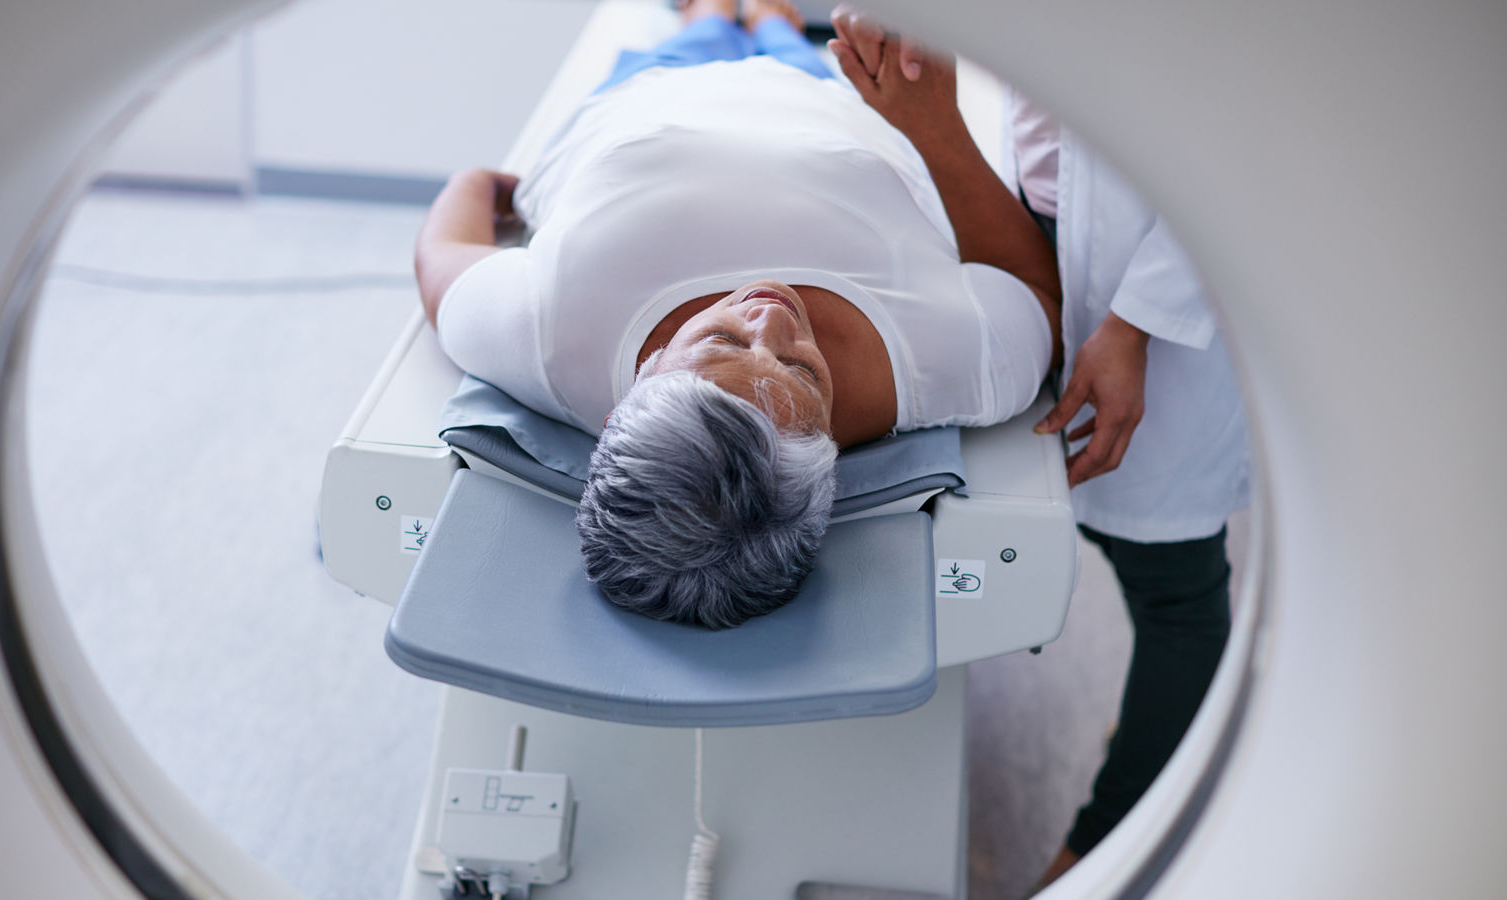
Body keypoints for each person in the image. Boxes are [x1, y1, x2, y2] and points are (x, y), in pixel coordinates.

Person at [414, 0, 1062, 629]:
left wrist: (475, 185)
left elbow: (442, 255)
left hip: (648, 98)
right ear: (829, 453)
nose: (771, 317)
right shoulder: (948, 367)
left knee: (702, 22)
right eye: (805, 375)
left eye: (721, 340)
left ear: (624, 407)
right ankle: (769, 18)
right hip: (831, 109)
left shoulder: (547, 340)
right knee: (780, 29)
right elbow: (1036, 292)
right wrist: (934, 127)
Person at [828, 7, 1250, 890]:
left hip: (1149, 255)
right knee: (1078, 502)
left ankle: (1109, 842)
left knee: (1172, 579)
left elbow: (1247, 135)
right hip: (1041, 202)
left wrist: (1134, 324)